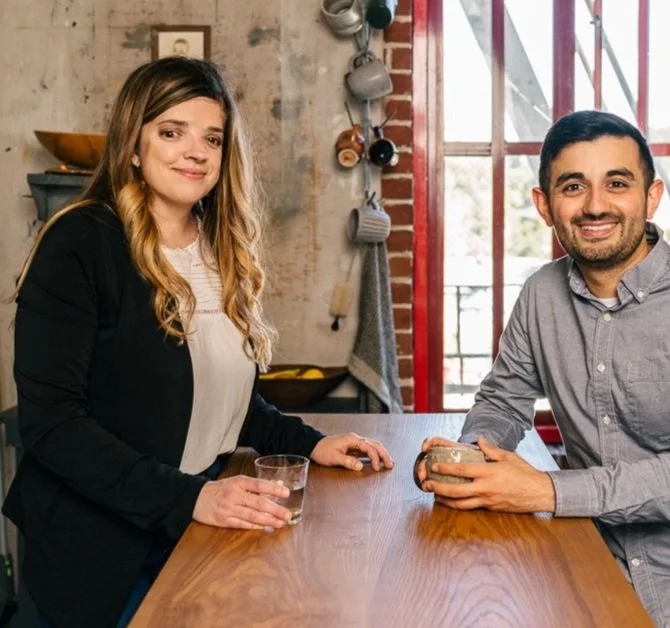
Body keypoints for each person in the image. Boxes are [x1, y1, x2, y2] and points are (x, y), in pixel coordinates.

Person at [4, 56, 394, 628]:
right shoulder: (81, 243)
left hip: (186, 525)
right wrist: (190, 498)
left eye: (212, 138)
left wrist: (310, 443)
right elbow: (52, 425)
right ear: (132, 146)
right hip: (98, 551)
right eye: (171, 132)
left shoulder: (219, 248)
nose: (196, 151)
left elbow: (224, 402)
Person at [416, 111, 670, 627]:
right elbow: (502, 399)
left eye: (617, 183)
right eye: (573, 186)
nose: (595, 205)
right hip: (600, 578)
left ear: (650, 197)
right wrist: (471, 457)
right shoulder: (541, 294)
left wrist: (546, 491)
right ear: (544, 205)